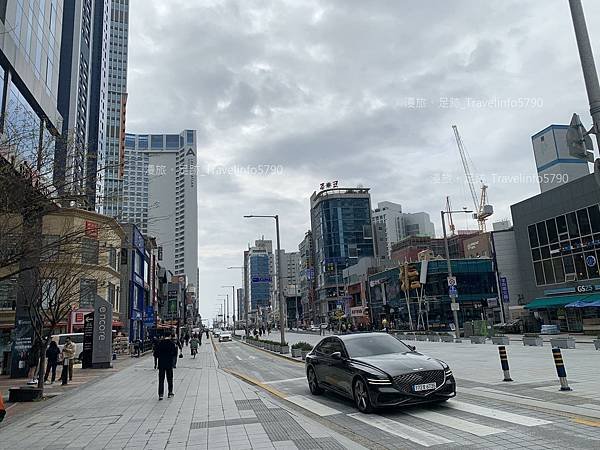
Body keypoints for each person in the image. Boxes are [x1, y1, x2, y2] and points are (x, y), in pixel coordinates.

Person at [156, 335, 178, 400]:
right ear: (170, 336)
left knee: (161, 380)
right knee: (170, 379)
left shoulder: (160, 343)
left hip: (161, 364)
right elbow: (174, 353)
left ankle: (161, 394)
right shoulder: (172, 344)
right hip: (169, 364)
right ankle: (170, 392)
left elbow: (156, 353)